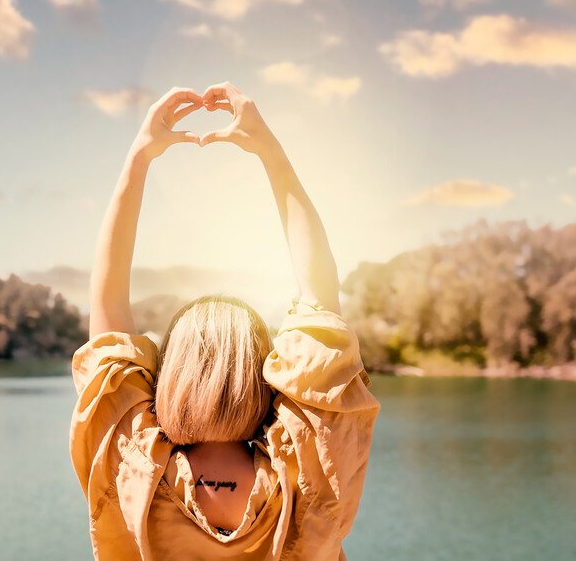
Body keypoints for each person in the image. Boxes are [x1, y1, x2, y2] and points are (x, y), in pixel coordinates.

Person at [69, 82, 380, 560]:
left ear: (170, 375)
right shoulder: (309, 472)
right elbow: (320, 290)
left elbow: (107, 314)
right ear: (262, 375)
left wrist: (139, 159)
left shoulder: (132, 471)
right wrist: (270, 154)